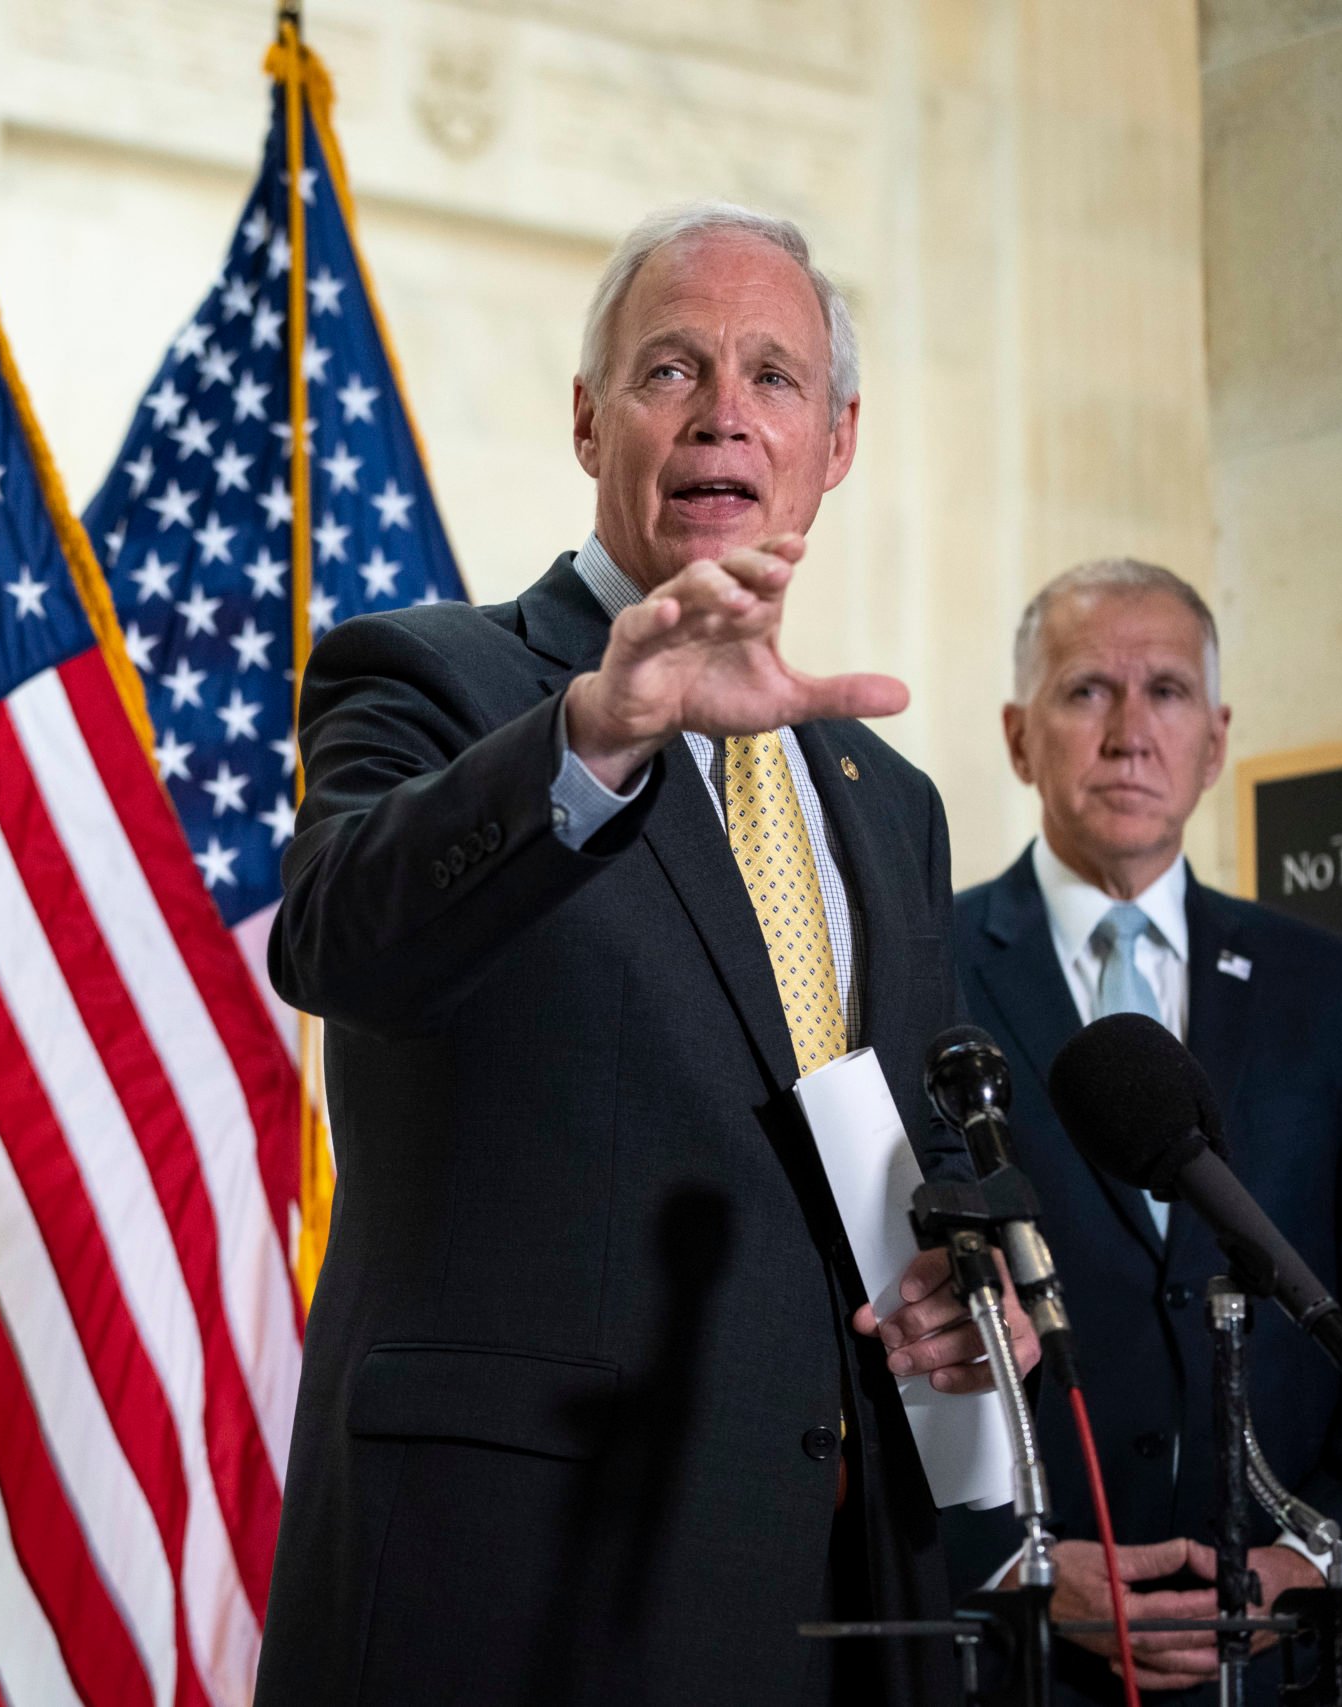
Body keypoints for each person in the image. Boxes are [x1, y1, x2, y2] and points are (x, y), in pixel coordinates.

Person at [253, 201, 1034, 1707]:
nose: (725, 414)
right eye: (673, 368)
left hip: (845, 1589)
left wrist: (972, 1287)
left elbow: (910, 1160)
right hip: (521, 1592)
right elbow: (338, 933)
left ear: (838, 439)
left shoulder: (891, 800)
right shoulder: (434, 674)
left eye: (774, 377)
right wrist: (595, 735)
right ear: (587, 415)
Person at [945, 559, 1342, 1700]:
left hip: (1295, 1660)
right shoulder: (917, 973)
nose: (1130, 733)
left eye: (1168, 693)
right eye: (1087, 690)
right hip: (1025, 1657)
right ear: (1016, 734)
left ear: (1218, 737)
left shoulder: (1337, 991)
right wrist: (1013, 1563)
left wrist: (1330, 1556)